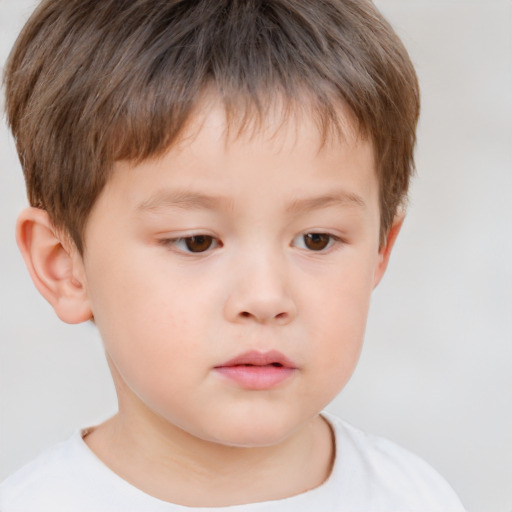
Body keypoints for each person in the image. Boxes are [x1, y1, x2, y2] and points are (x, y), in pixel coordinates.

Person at [0, 0, 465, 510]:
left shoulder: (415, 497)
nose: (265, 298)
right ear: (63, 265)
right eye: (196, 241)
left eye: (316, 239)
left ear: (380, 250)